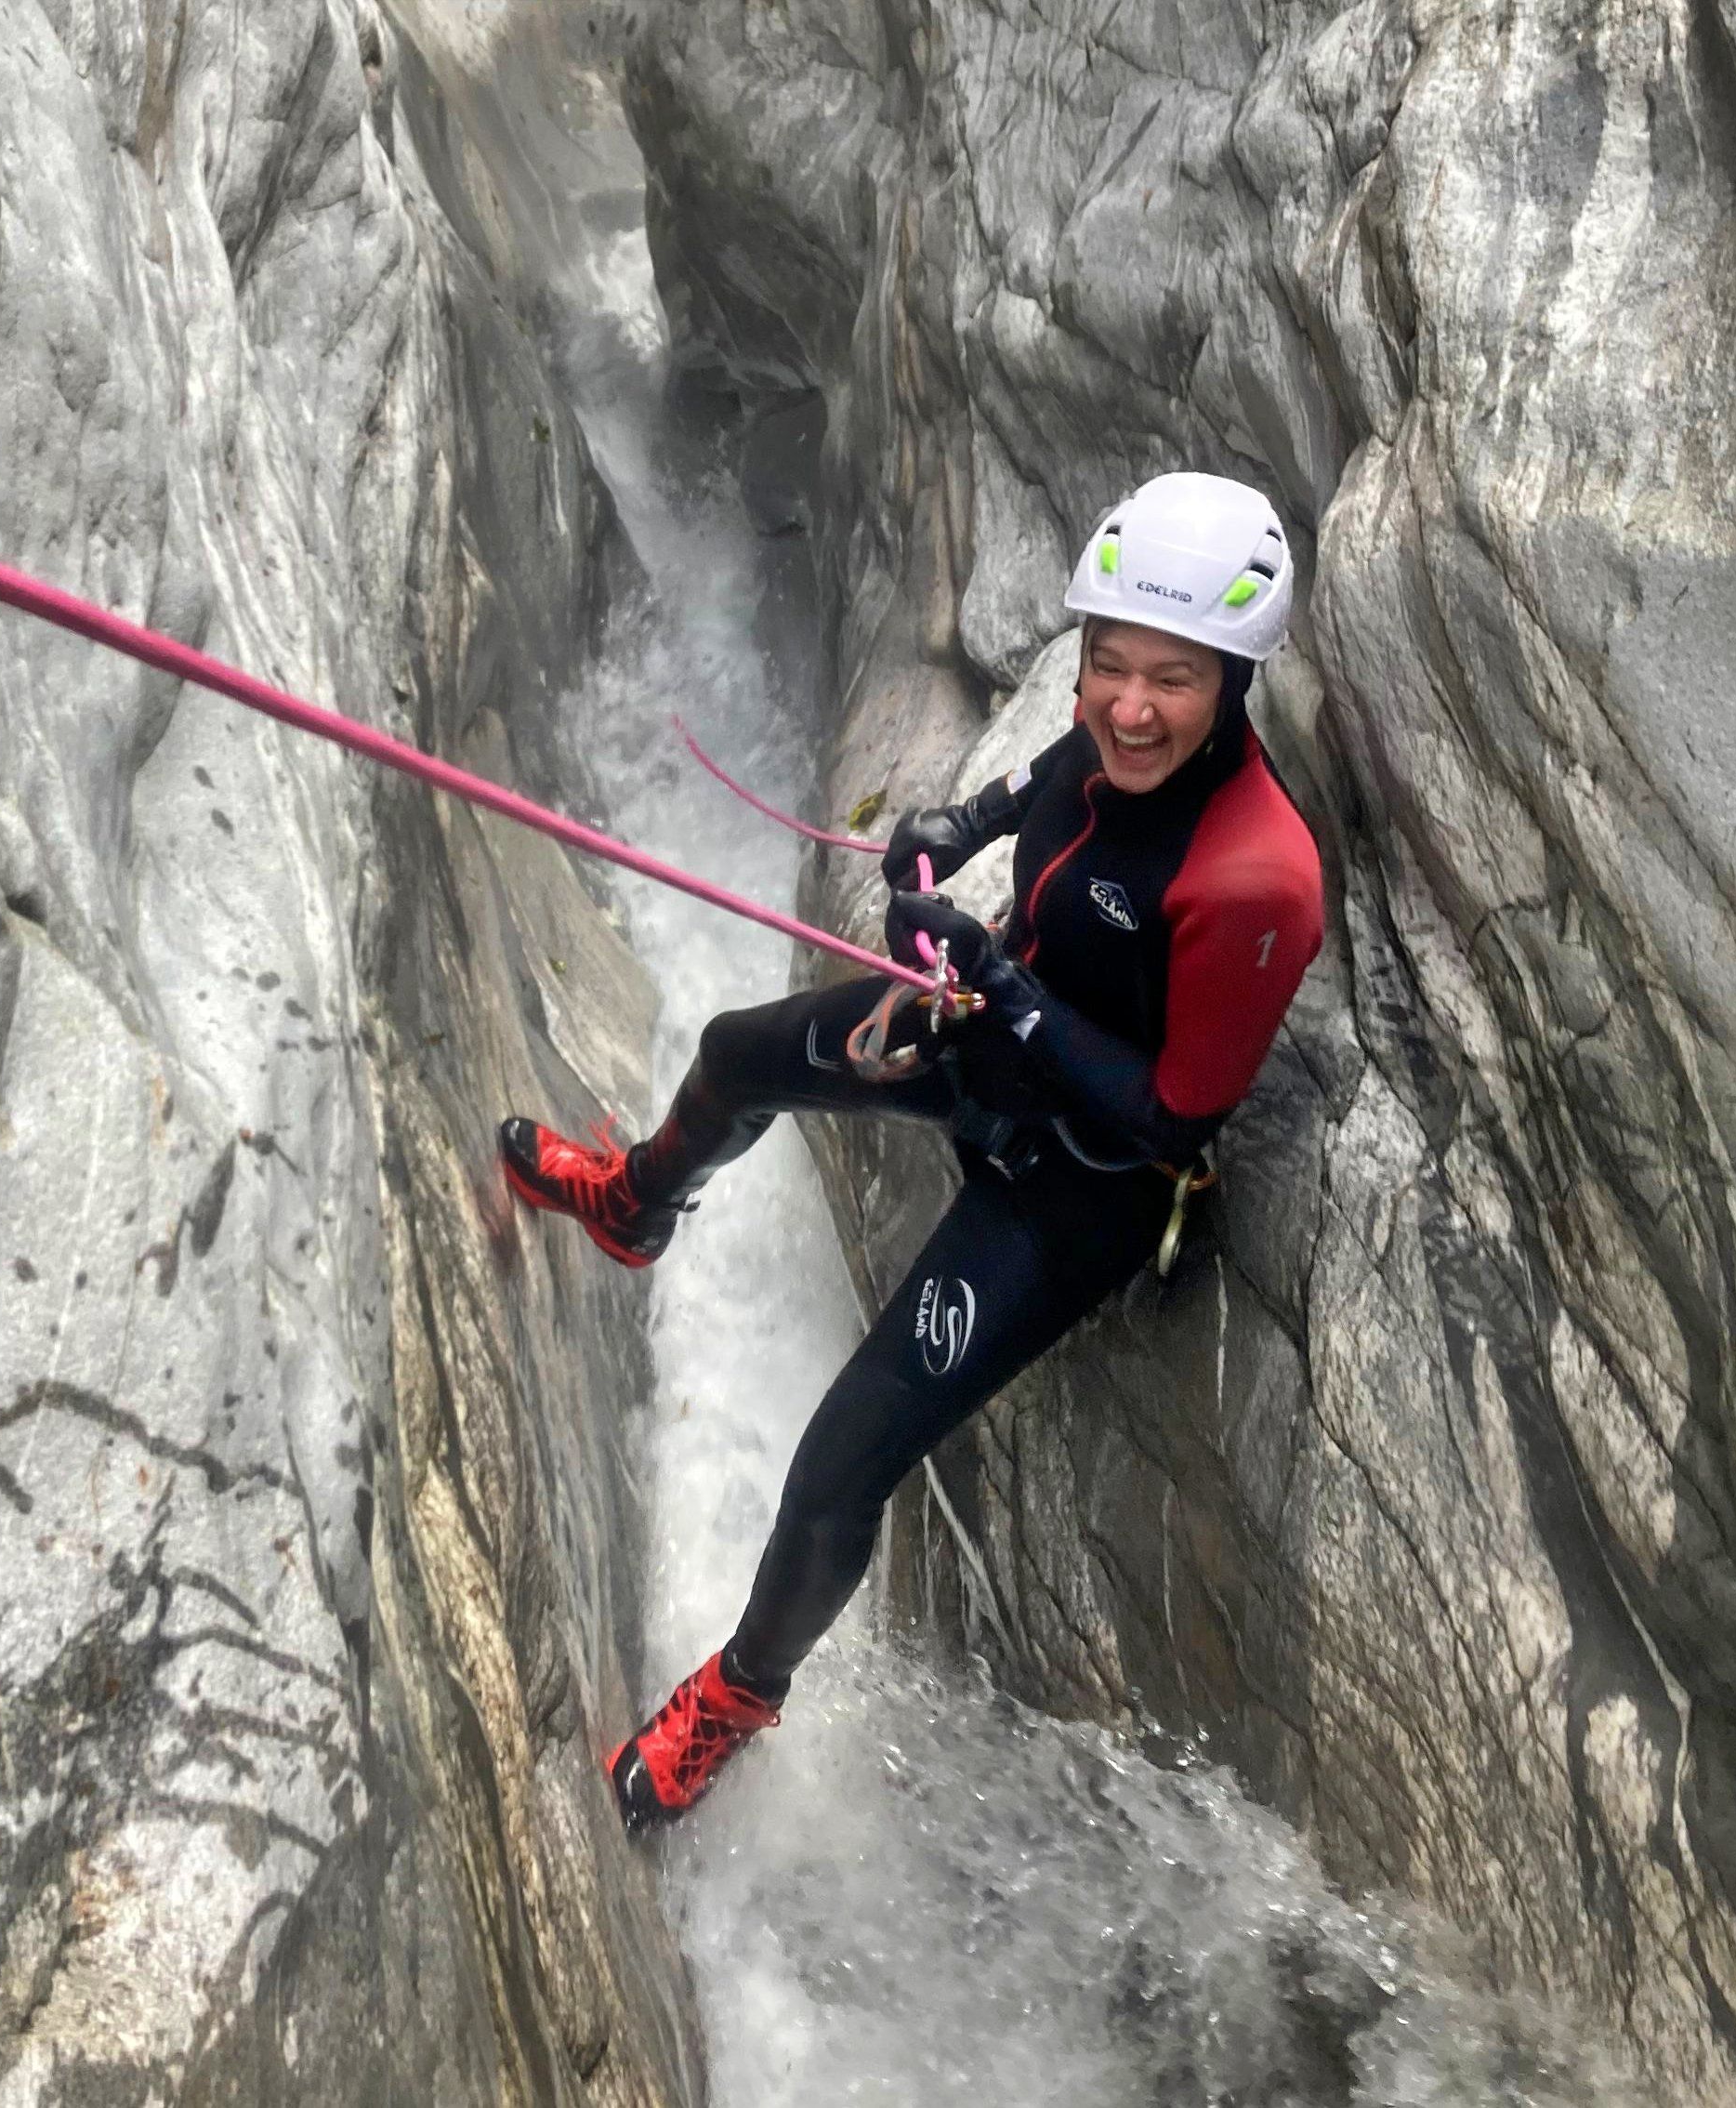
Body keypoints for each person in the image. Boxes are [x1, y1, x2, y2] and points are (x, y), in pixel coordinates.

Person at [497, 472, 1328, 1832]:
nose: (1125, 704)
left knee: (841, 1456)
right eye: (1104, 663)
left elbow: (1175, 1113)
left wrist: (1000, 987)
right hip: (984, 1038)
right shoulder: (1114, 735)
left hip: (1080, 1184)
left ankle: (739, 1698)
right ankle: (639, 1206)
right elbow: (1063, 775)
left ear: (1234, 679)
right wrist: (972, 821)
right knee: (733, 1050)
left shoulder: (1258, 876)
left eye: (1168, 680)